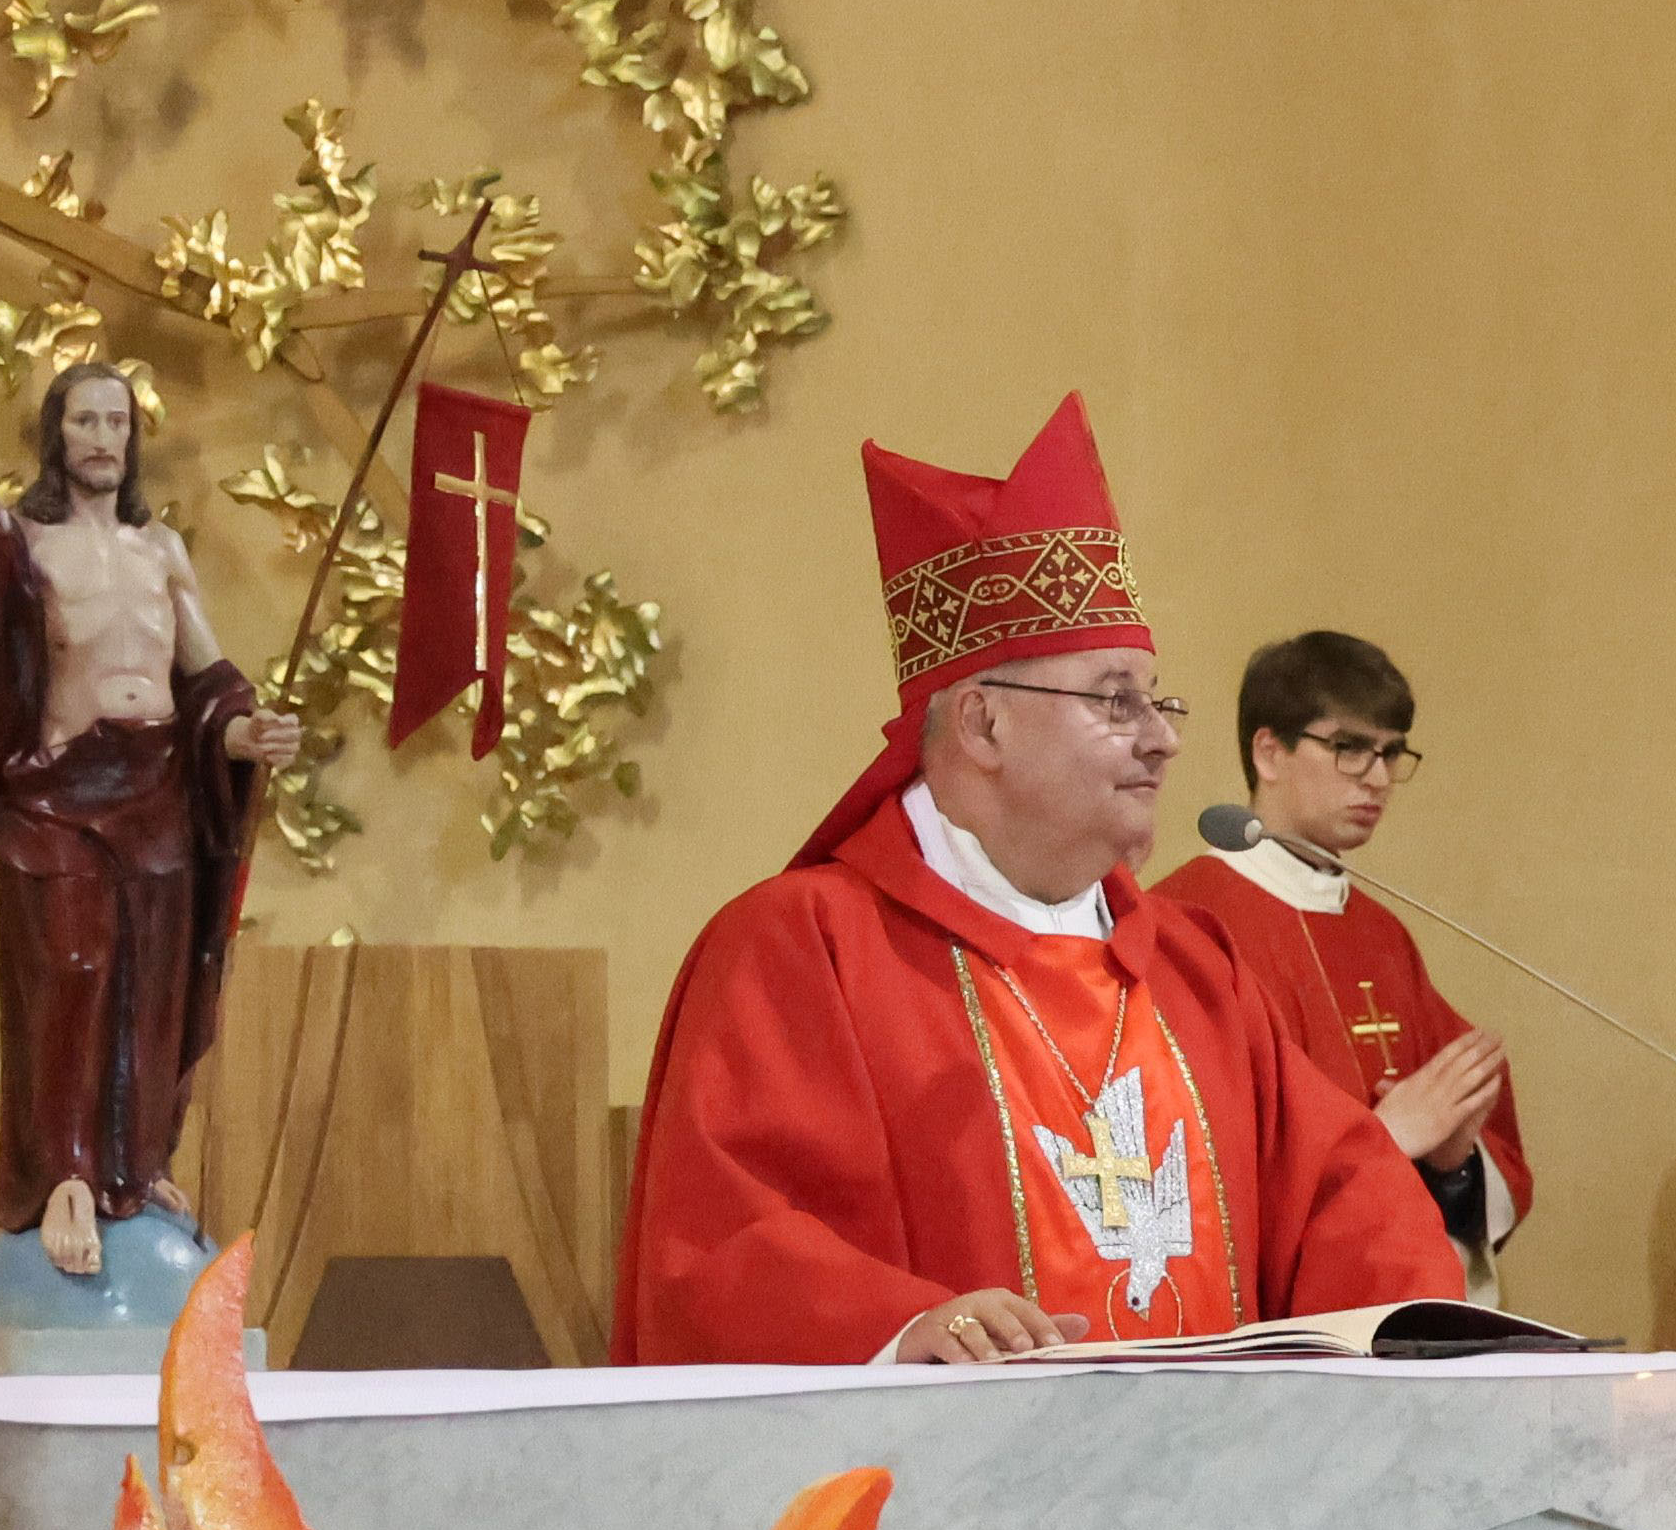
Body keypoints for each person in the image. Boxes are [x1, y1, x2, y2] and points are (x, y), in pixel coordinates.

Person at [612, 395, 1458, 1365]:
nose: (1163, 738)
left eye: (1158, 700)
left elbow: (1350, 1200)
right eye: (1115, 701)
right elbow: (722, 1252)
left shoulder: (1193, 970)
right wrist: (900, 1328)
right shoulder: (804, 949)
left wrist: (1431, 1338)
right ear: (983, 724)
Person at [0, 355, 302, 1278]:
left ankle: (137, 1162)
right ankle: (66, 1173)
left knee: (149, 983)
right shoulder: (26, 545)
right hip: (59, 794)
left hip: (157, 790)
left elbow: (205, 676)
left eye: (118, 422)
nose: (104, 438)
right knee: (70, 971)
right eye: (86, 421)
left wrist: (248, 733)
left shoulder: (163, 551)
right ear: (56, 433)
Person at [1152, 628, 1529, 1300]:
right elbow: (1184, 1155)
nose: (1378, 779)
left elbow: (1459, 1161)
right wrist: (1382, 1137)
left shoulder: (1382, 934)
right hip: (1277, 1320)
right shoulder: (1185, 922)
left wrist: (1454, 1164)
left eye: (1391, 753)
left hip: (1403, 1308)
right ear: (1269, 752)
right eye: (1349, 748)